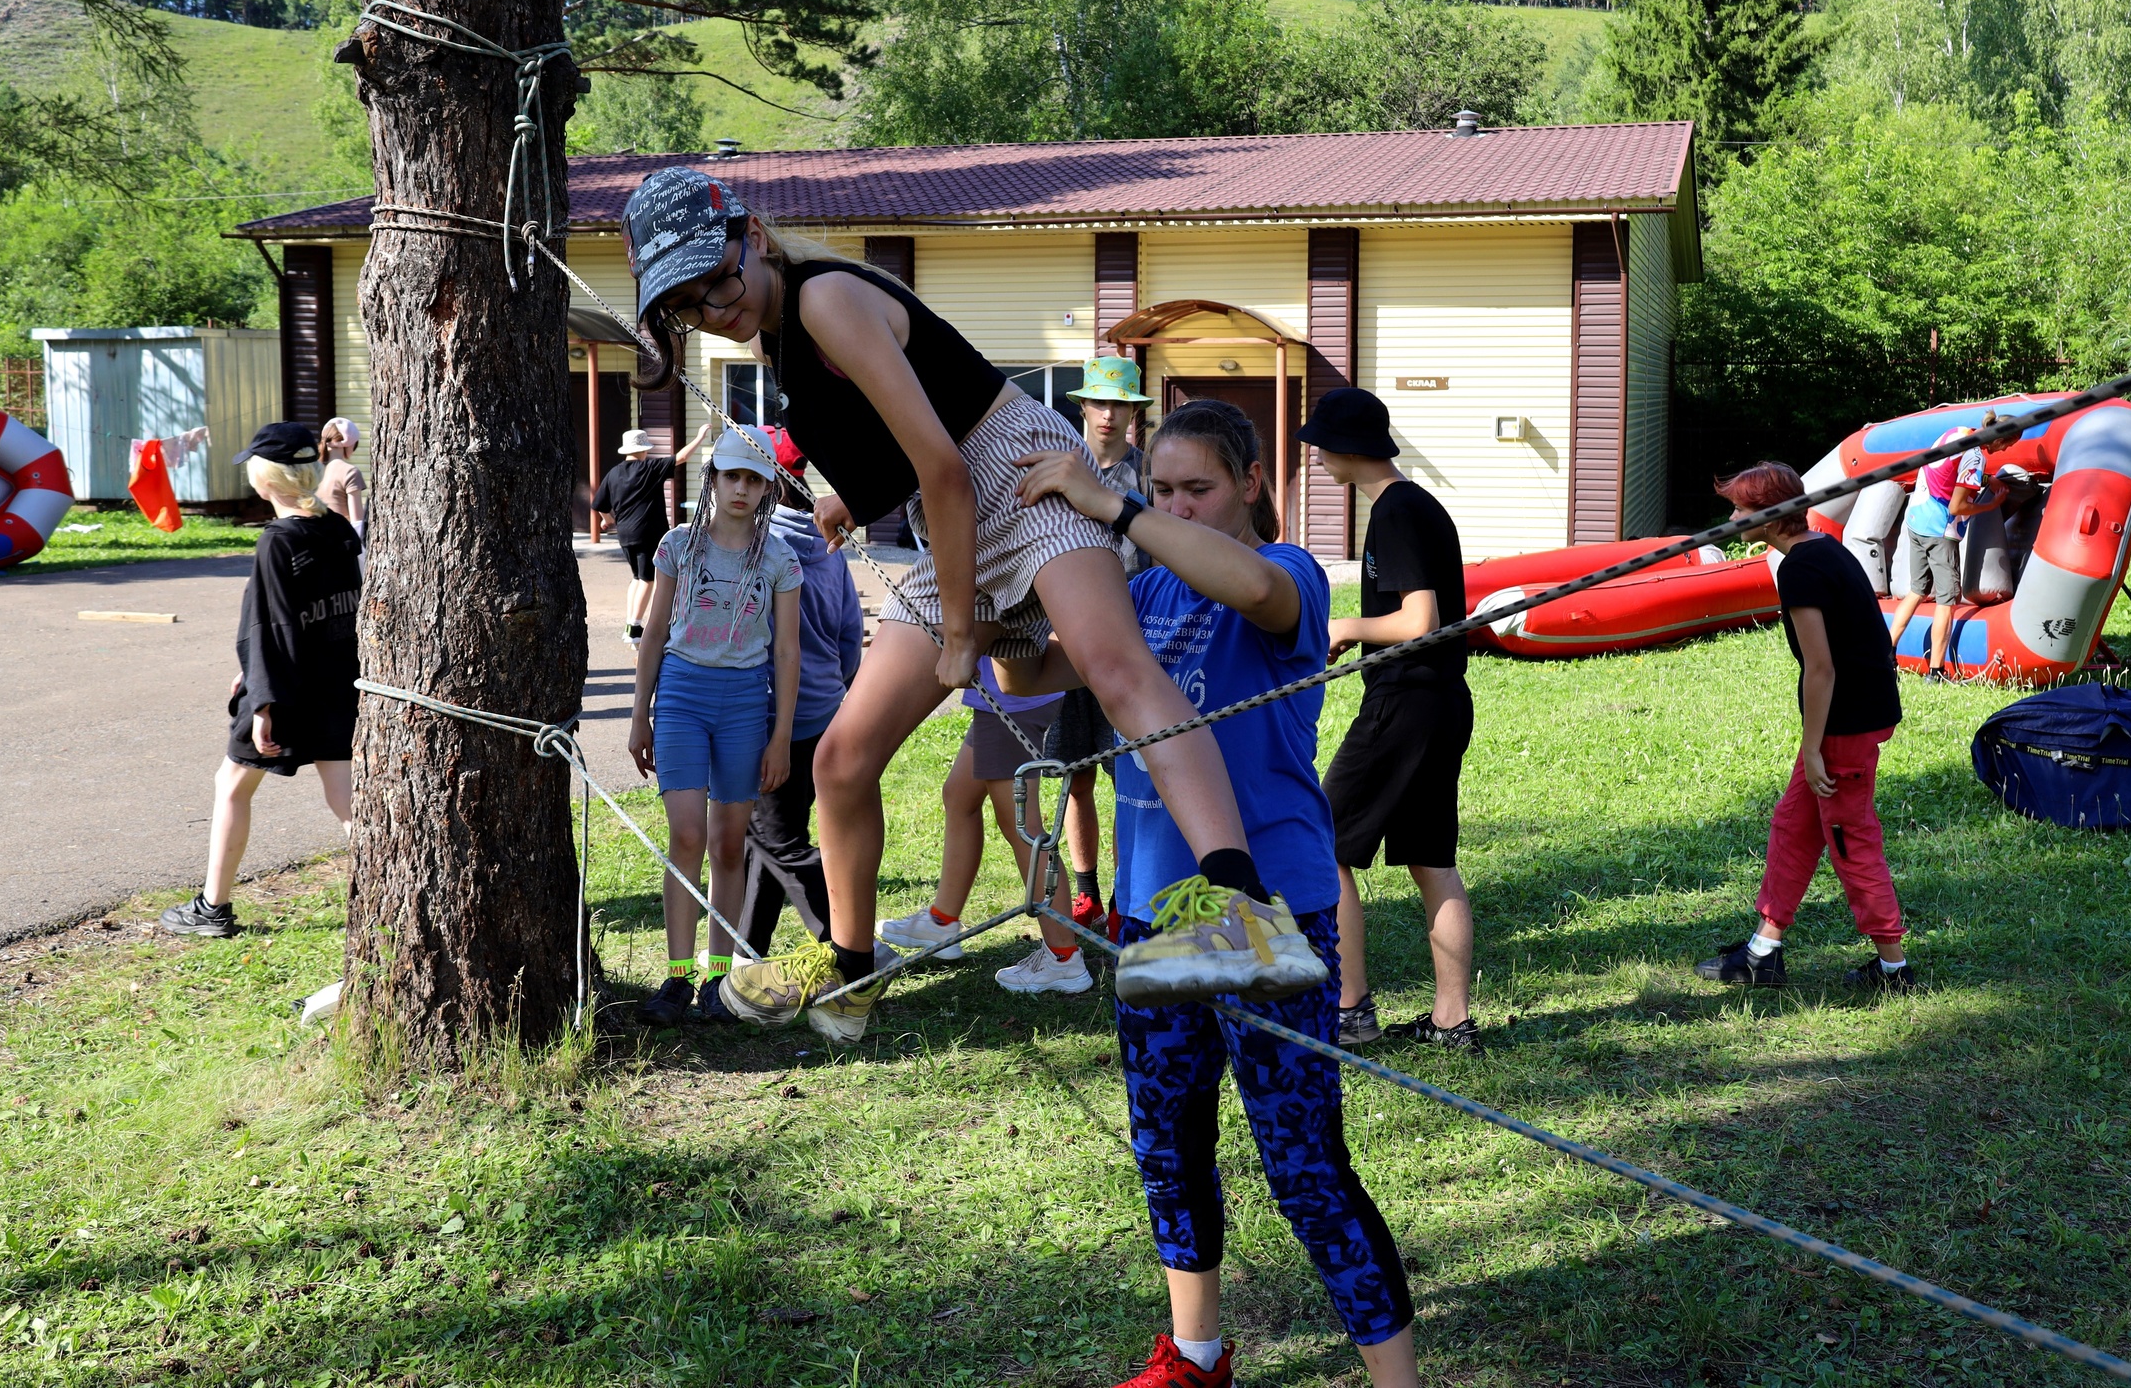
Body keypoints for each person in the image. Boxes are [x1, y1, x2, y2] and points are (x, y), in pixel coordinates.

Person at [611, 166, 1320, 1043]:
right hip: (947, 520)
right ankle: (851, 966)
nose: (713, 310)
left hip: (1017, 474)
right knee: (841, 759)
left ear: (751, 236)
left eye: (717, 283)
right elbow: (903, 457)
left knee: (1118, 671)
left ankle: (1241, 911)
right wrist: (848, 501)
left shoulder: (823, 296)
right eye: (687, 306)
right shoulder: (778, 336)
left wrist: (957, 632)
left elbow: (946, 462)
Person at [1003, 400, 1420, 1388]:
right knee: (1170, 1143)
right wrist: (997, 583)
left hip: (1264, 909)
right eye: (1164, 488)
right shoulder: (1140, 592)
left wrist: (1116, 507)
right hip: (1155, 914)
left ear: (1249, 483)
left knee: (1303, 1167)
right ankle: (1196, 1357)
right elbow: (1027, 675)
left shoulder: (1293, 573)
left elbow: (1255, 592)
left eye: (1199, 488)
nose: (1178, 504)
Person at [1302, 388, 1481, 1054]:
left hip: (1405, 702)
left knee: (1324, 843)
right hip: (1440, 701)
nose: (1316, 454)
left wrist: (1346, 626)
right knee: (1432, 861)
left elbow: (1419, 620)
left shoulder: (1398, 511)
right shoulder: (1413, 505)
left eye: (1321, 443)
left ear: (1347, 448)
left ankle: (1350, 1009)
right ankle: (1451, 1022)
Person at [1696, 461, 1918, 992]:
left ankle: (1894, 970)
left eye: (1740, 509)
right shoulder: (1823, 549)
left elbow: (1821, 668)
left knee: (1851, 840)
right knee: (1794, 825)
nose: (1733, 518)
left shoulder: (1801, 569)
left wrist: (1813, 748)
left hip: (1845, 726)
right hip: (1848, 718)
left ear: (1771, 517)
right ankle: (1763, 952)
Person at [625, 424, 804, 1027]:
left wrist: (781, 736)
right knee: (687, 836)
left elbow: (787, 651)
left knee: (729, 843)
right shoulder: (678, 545)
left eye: (754, 479)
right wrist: (639, 714)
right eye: (732, 477)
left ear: (768, 488)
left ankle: (718, 977)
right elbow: (654, 633)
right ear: (714, 479)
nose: (742, 489)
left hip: (746, 701)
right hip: (681, 694)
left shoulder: (780, 557)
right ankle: (677, 977)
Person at [161, 423, 361, 940]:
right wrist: (252, 670)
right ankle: (402, 894)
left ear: (265, 479)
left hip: (288, 688)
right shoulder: (338, 528)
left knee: (231, 786)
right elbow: (327, 614)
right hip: (340, 684)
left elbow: (270, 625)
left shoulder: (278, 540)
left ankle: (212, 908)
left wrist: (263, 704)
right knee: (346, 800)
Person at [878, 659, 1092, 994]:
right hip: (1002, 694)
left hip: (1010, 696)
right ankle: (941, 921)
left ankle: (1063, 959)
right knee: (959, 795)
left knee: (1023, 830)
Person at [737, 433, 864, 957]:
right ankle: (745, 951)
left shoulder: (754, 550)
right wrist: (834, 690)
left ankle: (851, 949)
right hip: (824, 717)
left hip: (772, 722)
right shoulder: (830, 546)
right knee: (765, 835)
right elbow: (850, 637)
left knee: (780, 840)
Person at [1046, 354, 1155, 934]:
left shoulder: (1150, 478)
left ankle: (1123, 896)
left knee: (1133, 780)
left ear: (1134, 412)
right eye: (1099, 402)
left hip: (1131, 646)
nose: (1109, 414)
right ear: (1083, 406)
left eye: (1120, 404)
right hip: (1066, 645)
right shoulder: (1060, 468)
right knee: (1075, 774)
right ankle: (1085, 893)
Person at [1886, 411, 2004, 679]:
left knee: (1916, 591)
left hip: (1916, 519)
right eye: (2007, 445)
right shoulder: (1976, 456)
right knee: (1946, 601)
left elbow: (1948, 470)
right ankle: (1936, 670)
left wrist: (1987, 480)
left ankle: (1887, 652)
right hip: (1939, 531)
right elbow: (1957, 506)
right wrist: (1990, 505)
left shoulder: (1958, 432)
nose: (2005, 450)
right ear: (1998, 441)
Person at [594, 420, 717, 646]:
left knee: (637, 578)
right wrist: (700, 437)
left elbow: (599, 504)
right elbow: (681, 457)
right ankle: (634, 628)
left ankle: (630, 625)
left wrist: (607, 520)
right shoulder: (649, 468)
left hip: (625, 534)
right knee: (647, 579)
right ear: (644, 450)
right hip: (648, 532)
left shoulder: (613, 474)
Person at [316, 417, 368, 534]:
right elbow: (357, 522)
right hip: (340, 539)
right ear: (349, 444)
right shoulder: (350, 472)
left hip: (314, 537)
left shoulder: (313, 471)